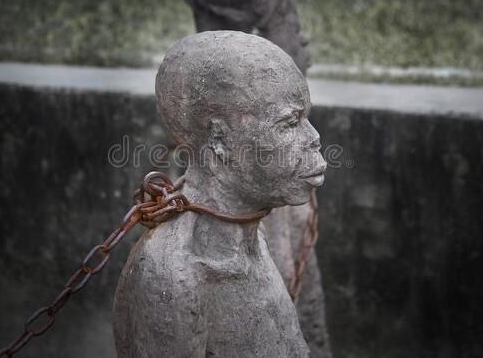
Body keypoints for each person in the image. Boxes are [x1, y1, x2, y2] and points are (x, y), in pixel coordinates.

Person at [113, 31, 326, 357]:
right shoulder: (174, 279)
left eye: (306, 119)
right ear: (220, 139)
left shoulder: (250, 238)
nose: (314, 137)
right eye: (290, 122)